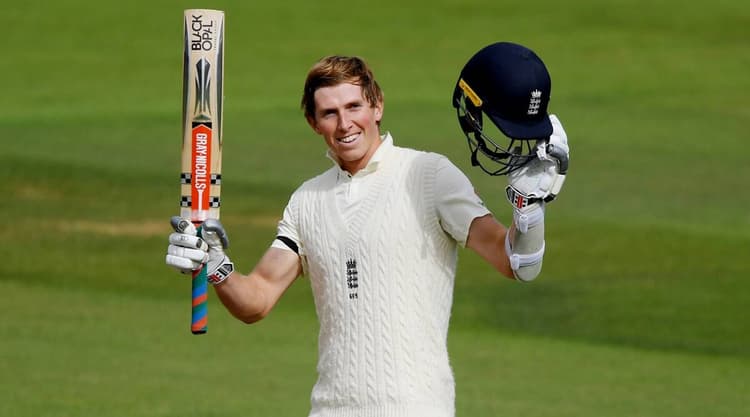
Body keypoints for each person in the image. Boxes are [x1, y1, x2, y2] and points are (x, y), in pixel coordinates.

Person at [166, 42, 569, 417]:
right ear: (313, 122)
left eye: (354, 106)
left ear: (377, 106)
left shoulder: (428, 174)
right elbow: (256, 300)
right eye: (329, 113)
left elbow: (516, 262)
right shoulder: (306, 201)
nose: (345, 124)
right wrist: (215, 265)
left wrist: (529, 210)